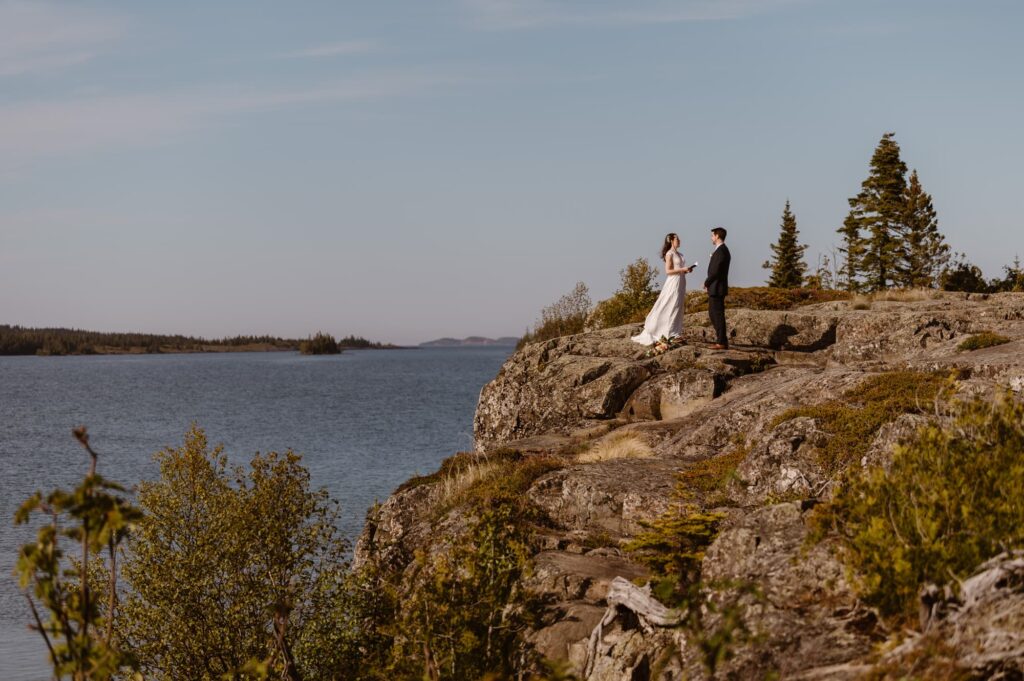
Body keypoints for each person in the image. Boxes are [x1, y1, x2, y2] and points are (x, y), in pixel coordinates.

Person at [632, 233, 697, 346]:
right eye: (677, 239)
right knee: (669, 303)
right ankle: (667, 331)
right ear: (671, 240)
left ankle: (676, 331)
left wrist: (686, 270)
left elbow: (679, 269)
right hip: (673, 282)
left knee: (678, 305)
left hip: (681, 280)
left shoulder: (680, 254)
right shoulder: (669, 254)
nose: (679, 240)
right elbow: (668, 271)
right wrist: (682, 269)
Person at [704, 226, 731, 349]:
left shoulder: (721, 251)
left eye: (712, 235)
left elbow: (715, 271)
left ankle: (721, 342)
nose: (711, 238)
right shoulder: (720, 250)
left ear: (717, 236)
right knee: (712, 313)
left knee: (718, 315)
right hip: (715, 287)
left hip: (717, 287)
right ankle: (721, 339)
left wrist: (707, 282)